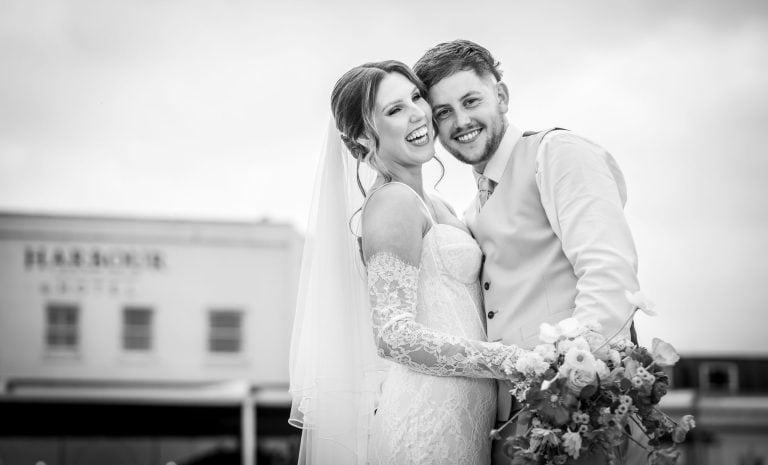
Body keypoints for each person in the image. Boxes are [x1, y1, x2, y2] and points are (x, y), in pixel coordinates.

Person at [414, 40, 645, 464]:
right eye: (443, 112)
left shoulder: (557, 153)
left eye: (471, 100)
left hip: (580, 414)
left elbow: (609, 271)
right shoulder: (471, 210)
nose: (460, 121)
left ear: (501, 96)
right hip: (509, 422)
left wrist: (573, 386)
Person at [288, 60, 527, 465]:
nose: (418, 112)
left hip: (467, 414)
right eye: (394, 110)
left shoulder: (438, 204)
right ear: (363, 139)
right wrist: (508, 360)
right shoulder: (392, 202)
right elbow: (394, 335)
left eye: (415, 97)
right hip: (428, 420)